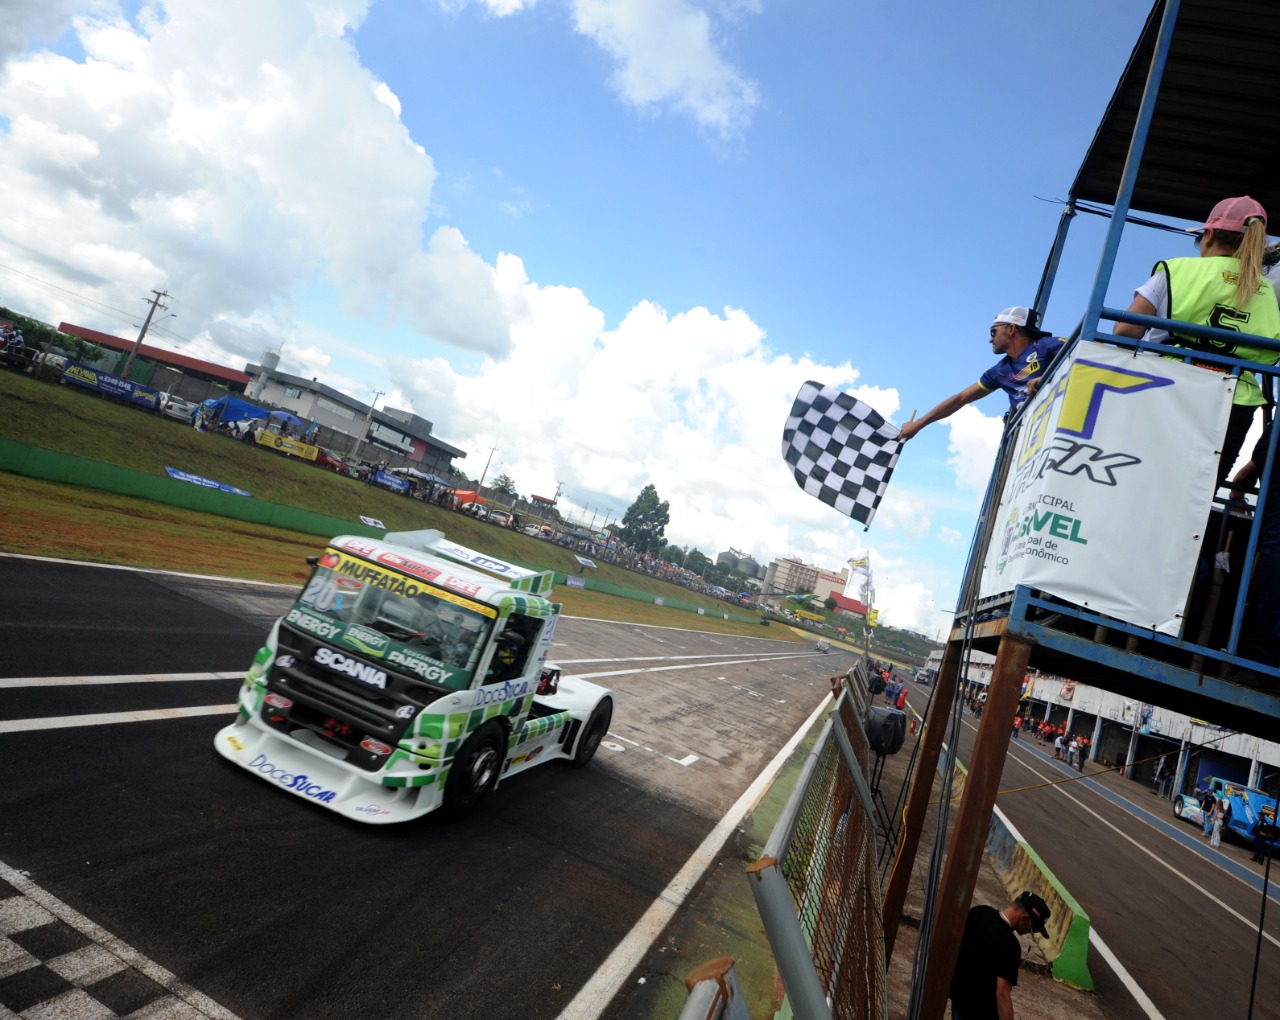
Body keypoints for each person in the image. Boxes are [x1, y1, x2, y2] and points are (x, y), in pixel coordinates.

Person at [1112, 195, 1280, 484]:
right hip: (1237, 398)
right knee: (1197, 501)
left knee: (1136, 485)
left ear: (1210, 234)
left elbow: (1125, 331)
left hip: (1171, 385)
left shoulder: (1177, 269)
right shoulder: (1268, 289)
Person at [898, 307, 1064, 441]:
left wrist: (1047, 378)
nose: (990, 340)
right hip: (1030, 437)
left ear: (1012, 329)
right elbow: (960, 399)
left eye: (994, 332)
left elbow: (1086, 353)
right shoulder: (1000, 371)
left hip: (1060, 424)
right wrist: (918, 424)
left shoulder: (1045, 346)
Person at [949, 891, 1050, 1020]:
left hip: (958, 1000)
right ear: (1024, 916)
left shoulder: (979, 912)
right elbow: (1002, 993)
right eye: (1033, 929)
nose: (1030, 933)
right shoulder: (1010, 946)